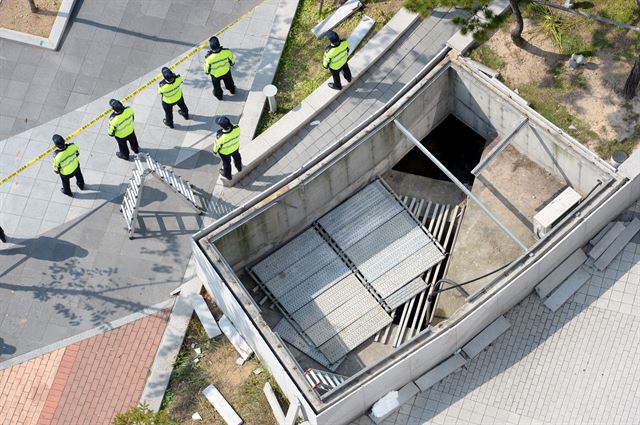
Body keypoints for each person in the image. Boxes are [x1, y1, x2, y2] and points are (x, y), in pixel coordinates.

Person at [203, 36, 236, 101]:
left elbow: (206, 70)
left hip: (215, 75)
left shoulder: (209, 58)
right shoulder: (227, 52)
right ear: (219, 44)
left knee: (217, 87)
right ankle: (232, 90)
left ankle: (219, 96)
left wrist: (207, 72)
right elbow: (232, 62)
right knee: (229, 82)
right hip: (226, 72)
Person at [213, 116, 242, 180]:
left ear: (221, 126)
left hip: (225, 153)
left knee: (226, 163)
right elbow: (233, 127)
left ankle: (228, 175)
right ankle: (239, 168)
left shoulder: (220, 137)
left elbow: (216, 146)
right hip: (235, 148)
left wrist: (215, 152)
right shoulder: (237, 128)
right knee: (237, 157)